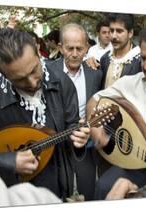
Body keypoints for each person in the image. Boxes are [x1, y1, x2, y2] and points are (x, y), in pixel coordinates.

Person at [0, 28, 90, 201]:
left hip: (56, 188)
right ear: (2, 73)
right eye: (20, 79)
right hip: (8, 195)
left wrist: (79, 138)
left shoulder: (62, 82)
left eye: (34, 69)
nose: (32, 82)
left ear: (37, 50)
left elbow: (71, 125)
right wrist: (8, 162)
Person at [86, 22, 146, 200]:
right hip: (136, 161)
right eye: (143, 58)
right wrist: (95, 127)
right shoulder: (131, 82)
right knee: (104, 187)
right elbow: (95, 100)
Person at [45, 23, 103, 200]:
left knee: (89, 189)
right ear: (61, 47)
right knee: (58, 193)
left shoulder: (95, 74)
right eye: (70, 48)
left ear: (87, 48)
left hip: (85, 143)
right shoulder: (47, 72)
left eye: (80, 48)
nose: (75, 53)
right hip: (56, 145)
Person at [87, 13, 142, 89]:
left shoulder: (140, 61)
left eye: (119, 31)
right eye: (111, 31)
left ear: (130, 33)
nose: (113, 36)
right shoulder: (105, 58)